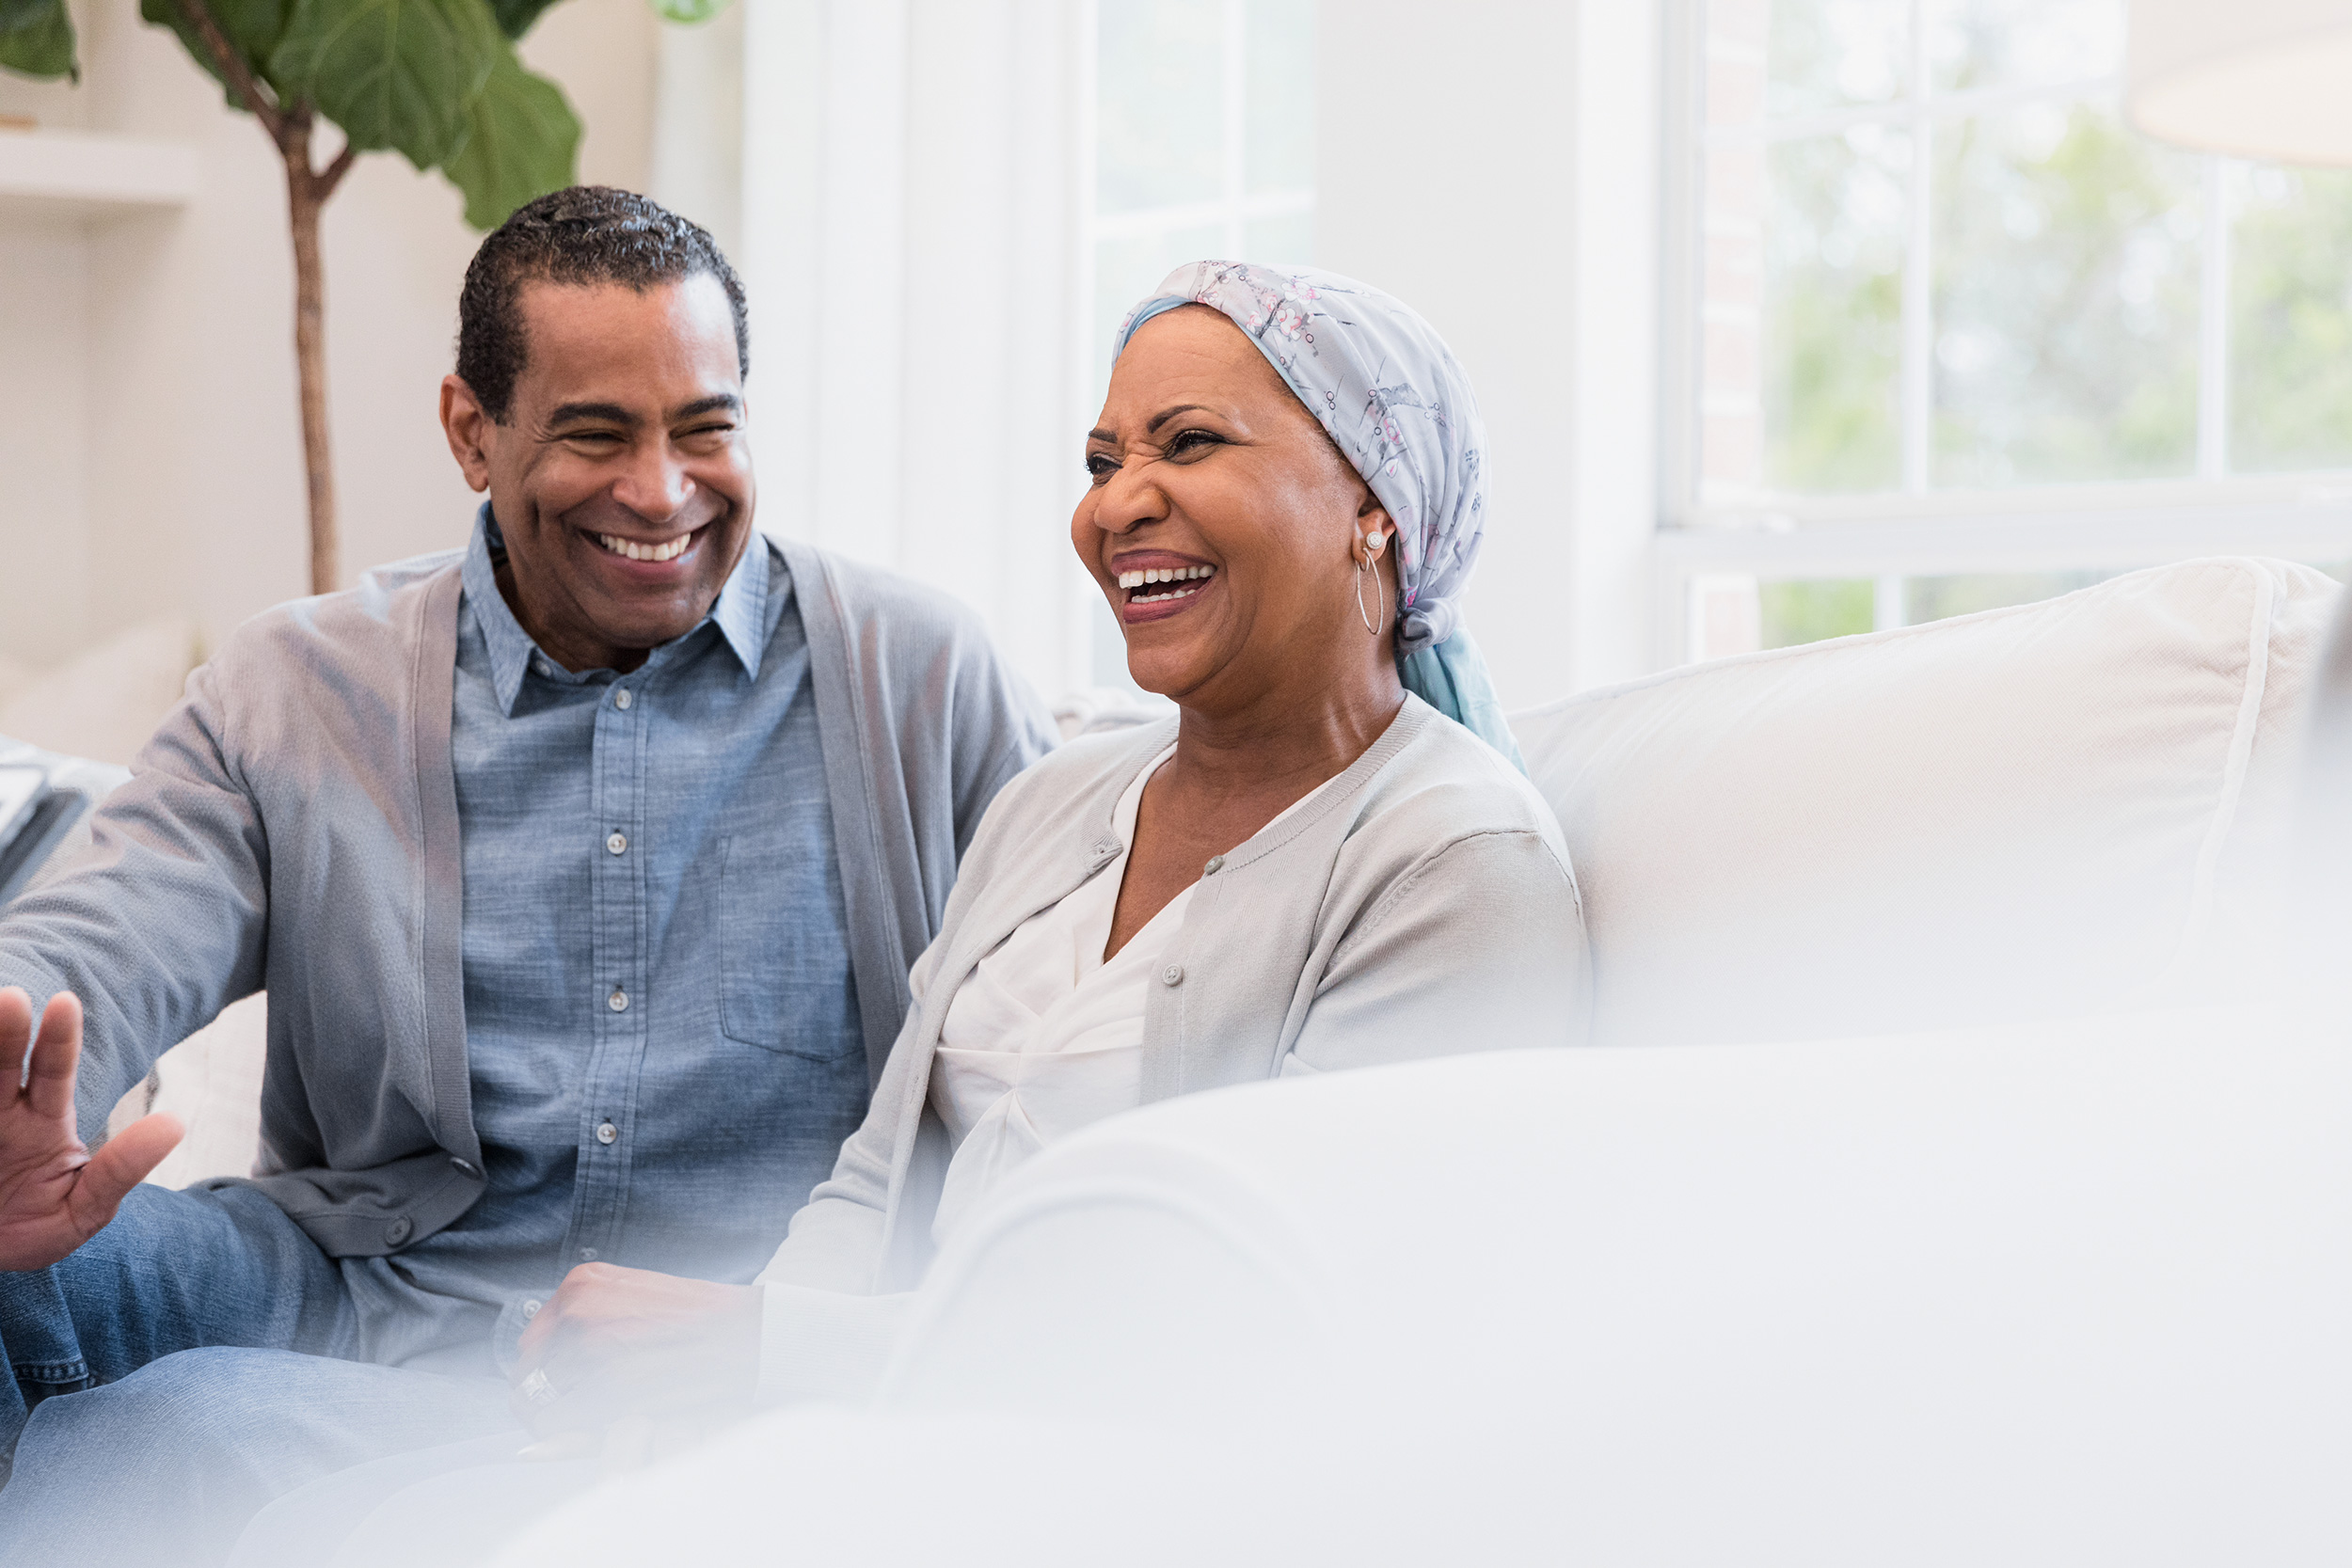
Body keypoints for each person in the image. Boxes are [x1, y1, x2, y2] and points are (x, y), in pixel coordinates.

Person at [213, 261, 1593, 1568]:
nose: (1119, 506)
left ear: (1379, 505)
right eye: (1104, 462)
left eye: (1188, 445)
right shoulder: (1059, 802)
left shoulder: (1454, 862)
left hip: (1084, 1508)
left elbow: (1259, 1333)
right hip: (837, 1455)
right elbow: (873, 1179)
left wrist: (767, 1359)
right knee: (241, 1496)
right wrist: (721, 1400)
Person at [0, 187, 1054, 1561]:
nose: (662, 491)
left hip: (726, 1347)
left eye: (707, 428)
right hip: (375, 1302)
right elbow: (105, 936)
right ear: (469, 431)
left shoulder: (920, 678)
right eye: (597, 433)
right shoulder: (301, 688)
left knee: (181, 1439)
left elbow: (1081, 984)